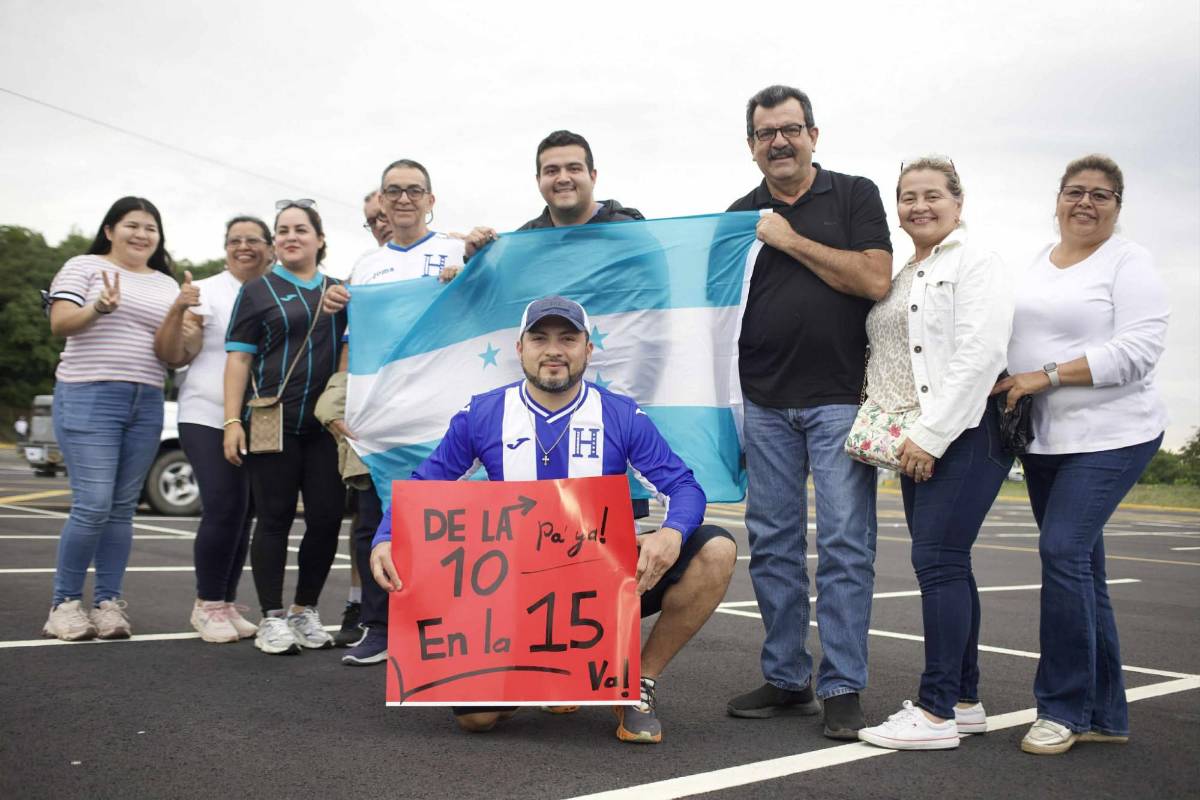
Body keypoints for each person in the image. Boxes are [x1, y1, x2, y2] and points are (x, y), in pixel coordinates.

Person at [369, 296, 737, 743]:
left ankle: (636, 683)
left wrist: (672, 533)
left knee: (716, 550)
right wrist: (386, 537)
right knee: (477, 721)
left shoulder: (619, 414)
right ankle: (555, 675)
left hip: (602, 586)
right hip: (512, 592)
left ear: (588, 349)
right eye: (540, 338)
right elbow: (426, 484)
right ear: (519, 348)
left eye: (568, 338)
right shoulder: (483, 414)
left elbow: (684, 487)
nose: (554, 349)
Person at [724, 85, 892, 739]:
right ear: (752, 146)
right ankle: (789, 679)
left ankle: (843, 684)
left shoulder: (854, 195)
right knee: (772, 547)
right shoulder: (738, 216)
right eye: (766, 133)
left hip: (839, 400)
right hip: (763, 404)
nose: (780, 142)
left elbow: (875, 279)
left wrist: (787, 239)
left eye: (790, 129)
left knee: (847, 545)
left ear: (813, 135)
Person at [992, 155, 1168, 756]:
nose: (1086, 203)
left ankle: (1061, 708)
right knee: (1084, 571)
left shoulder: (1129, 261)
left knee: (1062, 550)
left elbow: (1140, 350)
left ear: (1118, 206)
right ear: (1058, 199)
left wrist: (1047, 375)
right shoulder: (1038, 261)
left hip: (1115, 435)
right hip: (1047, 442)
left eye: (1101, 195)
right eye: (1076, 192)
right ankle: (1104, 714)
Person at [854, 158, 1013, 750]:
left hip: (963, 433)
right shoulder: (903, 275)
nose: (919, 206)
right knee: (949, 563)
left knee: (939, 563)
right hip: (914, 436)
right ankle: (965, 701)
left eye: (932, 196)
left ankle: (936, 712)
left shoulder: (977, 263)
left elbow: (981, 352)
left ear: (958, 201)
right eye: (907, 197)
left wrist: (932, 436)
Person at [316, 159, 472, 666]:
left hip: (445, 412)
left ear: (431, 199)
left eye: (414, 190)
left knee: (452, 524)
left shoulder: (458, 249)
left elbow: (491, 300)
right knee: (376, 521)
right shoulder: (364, 268)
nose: (403, 199)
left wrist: (474, 264)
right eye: (393, 191)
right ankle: (380, 628)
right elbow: (354, 349)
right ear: (380, 203)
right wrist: (343, 405)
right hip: (384, 418)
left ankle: (452, 628)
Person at [41, 196, 180, 641]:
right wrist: (98, 308)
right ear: (109, 230)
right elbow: (60, 323)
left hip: (147, 399)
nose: (141, 235)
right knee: (93, 503)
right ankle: (63, 604)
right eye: (132, 225)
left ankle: (107, 602)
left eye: (150, 228)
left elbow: (173, 349)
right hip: (89, 393)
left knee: (121, 508)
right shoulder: (83, 267)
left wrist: (186, 322)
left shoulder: (167, 284)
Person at [223, 201, 348, 655]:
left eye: (301, 229)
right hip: (271, 421)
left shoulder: (341, 291)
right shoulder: (257, 291)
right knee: (273, 519)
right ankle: (271, 618)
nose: (291, 236)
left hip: (326, 428)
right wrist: (232, 420)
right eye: (282, 230)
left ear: (319, 238)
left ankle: (305, 611)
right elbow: (238, 358)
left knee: (327, 518)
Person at [154, 216, 274, 643]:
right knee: (223, 505)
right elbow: (178, 354)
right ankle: (206, 603)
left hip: (258, 417)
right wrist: (181, 312)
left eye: (253, 240)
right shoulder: (203, 291)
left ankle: (224, 601)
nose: (244, 247)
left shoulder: (276, 287)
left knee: (244, 513)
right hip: (206, 412)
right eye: (234, 241)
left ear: (270, 246)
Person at [518, 130, 644, 230]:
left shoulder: (630, 232)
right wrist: (497, 251)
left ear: (593, 177)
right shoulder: (523, 242)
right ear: (538, 180)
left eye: (574, 169)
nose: (563, 179)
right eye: (552, 171)